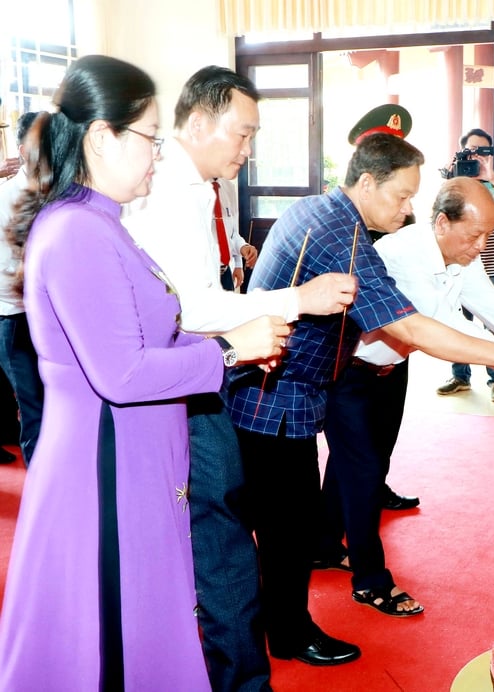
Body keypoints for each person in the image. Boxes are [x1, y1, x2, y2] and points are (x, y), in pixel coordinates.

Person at [0, 54, 285, 691]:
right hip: (105, 466)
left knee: (141, 622)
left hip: (132, 457)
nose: (158, 153)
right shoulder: (77, 229)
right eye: (149, 138)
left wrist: (227, 343)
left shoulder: (103, 222)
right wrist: (229, 351)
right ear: (102, 137)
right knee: (113, 638)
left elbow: (150, 328)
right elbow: (121, 373)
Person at [226, 132, 494, 664]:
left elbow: (478, 305)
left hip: (295, 389)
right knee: (283, 527)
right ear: (366, 183)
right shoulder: (348, 235)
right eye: (403, 197)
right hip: (275, 394)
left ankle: (286, 622)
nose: (409, 209)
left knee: (297, 517)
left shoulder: (332, 216)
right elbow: (408, 325)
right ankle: (292, 631)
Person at [122, 65, 355, 690]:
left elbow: (211, 290)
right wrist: (294, 300)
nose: (248, 150)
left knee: (220, 524)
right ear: (197, 124)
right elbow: (189, 308)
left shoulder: (207, 187)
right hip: (181, 377)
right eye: (242, 134)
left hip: (202, 369)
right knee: (221, 534)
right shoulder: (167, 192)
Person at [317, 176, 494, 616]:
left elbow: (493, 306)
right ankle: (370, 581)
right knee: (362, 474)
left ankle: (321, 542)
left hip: (390, 367)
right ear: (442, 222)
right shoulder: (402, 256)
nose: (481, 246)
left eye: (487, 236)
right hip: (348, 372)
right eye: (475, 235)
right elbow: (441, 330)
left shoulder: (461, 254)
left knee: (365, 462)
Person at [348, 102, 419, 511]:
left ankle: (378, 485)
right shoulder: (350, 216)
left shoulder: (401, 212)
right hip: (360, 349)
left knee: (386, 428)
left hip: (398, 343)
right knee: (352, 443)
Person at [437, 127, 494, 403]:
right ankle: (460, 376)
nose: (476, 156)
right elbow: (439, 213)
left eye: (482, 151)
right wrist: (453, 177)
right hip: (459, 263)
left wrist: (493, 178)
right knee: (458, 321)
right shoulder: (455, 181)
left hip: (492, 264)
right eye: (470, 150)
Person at [0, 111, 45, 467]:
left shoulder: (57, 194)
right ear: (21, 148)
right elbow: (5, 268)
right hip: (14, 318)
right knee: (34, 408)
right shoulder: (5, 198)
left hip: (49, 315)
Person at [213, 176, 258, 291]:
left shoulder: (228, 187)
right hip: (205, 277)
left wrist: (243, 249)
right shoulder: (190, 189)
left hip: (225, 273)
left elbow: (232, 234)